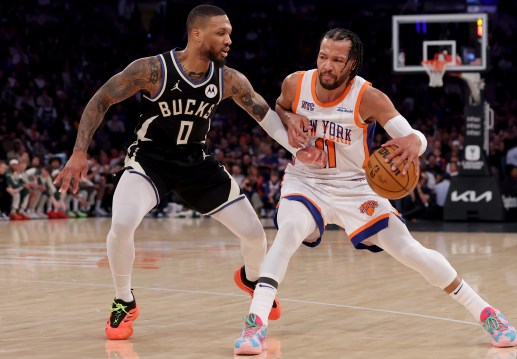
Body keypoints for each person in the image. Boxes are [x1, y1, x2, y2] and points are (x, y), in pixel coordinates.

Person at [234, 28, 517, 355]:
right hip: (307, 180)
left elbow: (413, 138)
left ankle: (486, 312)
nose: (327, 65)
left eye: (337, 60)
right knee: (288, 233)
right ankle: (255, 323)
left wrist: (417, 142)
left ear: (351, 65)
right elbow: (280, 107)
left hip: (357, 187)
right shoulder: (295, 83)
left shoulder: (369, 97)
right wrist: (288, 116)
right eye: (323, 56)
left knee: (410, 251)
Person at [54, 4, 324, 341]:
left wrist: (300, 151)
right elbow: (101, 99)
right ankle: (124, 300)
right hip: (150, 161)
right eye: (221, 32)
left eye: (230, 33)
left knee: (255, 235)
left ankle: (252, 279)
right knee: (121, 223)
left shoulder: (229, 79)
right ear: (196, 33)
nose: (229, 39)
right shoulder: (152, 70)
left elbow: (265, 117)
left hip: (197, 164)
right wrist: (80, 152)